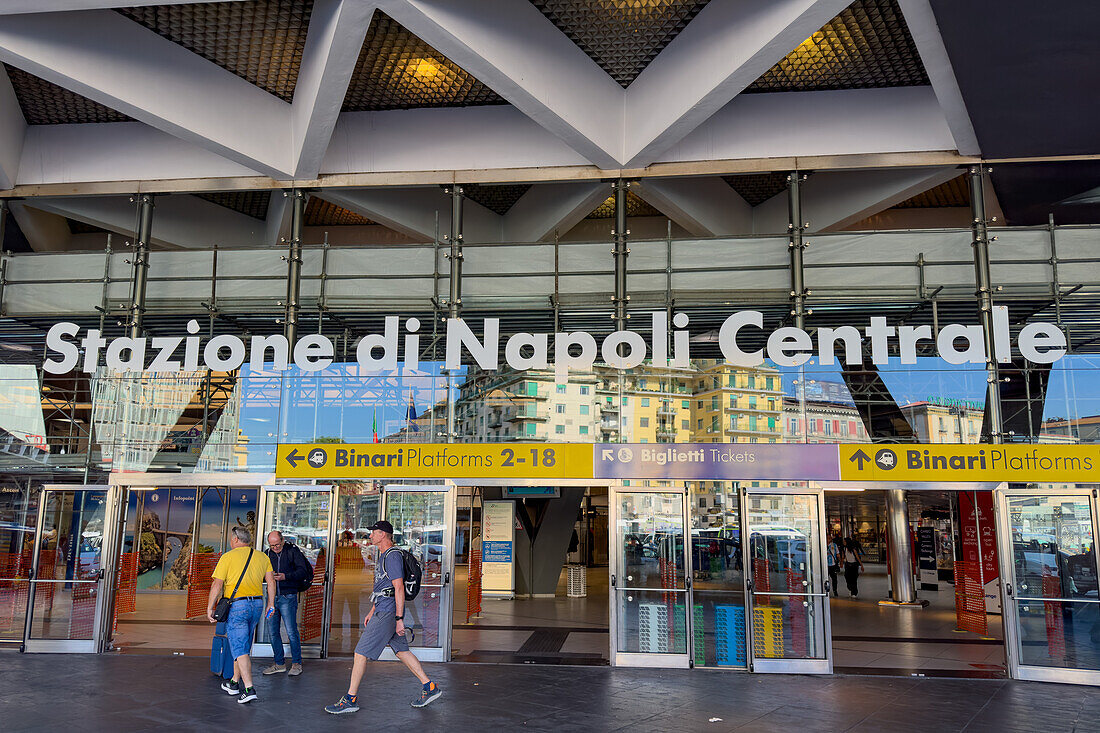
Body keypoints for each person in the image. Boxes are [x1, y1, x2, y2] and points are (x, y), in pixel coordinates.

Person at [325, 520, 442, 714]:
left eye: (374, 532)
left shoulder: (392, 556)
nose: (370, 536)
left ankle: (350, 699)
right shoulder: (384, 556)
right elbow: (383, 588)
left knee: (360, 653)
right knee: (402, 651)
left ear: (383, 535)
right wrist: (372, 610)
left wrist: (398, 619)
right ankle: (429, 687)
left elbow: (398, 588)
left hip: (388, 612)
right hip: (383, 608)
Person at [207, 527, 274, 704]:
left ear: (236, 540)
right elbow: (271, 581)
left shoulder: (228, 557)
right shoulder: (262, 556)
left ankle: (250, 688)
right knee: (242, 644)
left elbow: (217, 584)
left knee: (240, 647)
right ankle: (234, 683)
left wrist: (209, 607)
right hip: (257, 604)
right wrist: (271, 603)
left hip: (238, 605)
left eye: (231, 538)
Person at [261, 530, 310, 677]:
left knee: (291, 631)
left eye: (277, 544)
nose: (275, 548)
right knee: (273, 632)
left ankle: (296, 663)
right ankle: (279, 663)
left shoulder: (292, 551)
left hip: (288, 596)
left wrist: (285, 577)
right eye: (272, 545)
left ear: (282, 540)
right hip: (272, 598)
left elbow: (303, 571)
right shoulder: (267, 554)